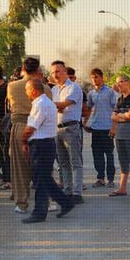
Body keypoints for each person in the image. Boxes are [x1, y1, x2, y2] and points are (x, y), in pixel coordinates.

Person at [20, 77, 74, 224]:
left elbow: (31, 128)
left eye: (26, 90)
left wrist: (23, 140)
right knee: (45, 179)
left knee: (40, 180)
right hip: (45, 144)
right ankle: (65, 202)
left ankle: (39, 213)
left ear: (33, 90)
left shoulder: (41, 104)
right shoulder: (45, 102)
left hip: (41, 145)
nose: (26, 93)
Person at [7, 58, 44, 213]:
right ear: (38, 70)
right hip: (39, 127)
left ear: (23, 68)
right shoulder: (44, 88)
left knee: (19, 167)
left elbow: (10, 105)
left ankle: (21, 202)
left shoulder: (12, 86)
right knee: (41, 167)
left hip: (20, 126)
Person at [50, 60, 85, 203]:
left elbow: (64, 105)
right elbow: (57, 107)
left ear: (65, 72)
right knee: (63, 162)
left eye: (57, 71)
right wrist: (56, 106)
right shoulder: (54, 90)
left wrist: (54, 105)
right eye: (52, 72)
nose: (55, 75)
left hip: (70, 128)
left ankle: (77, 193)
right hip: (56, 128)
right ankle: (67, 190)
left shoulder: (73, 88)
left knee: (75, 161)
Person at [110, 75, 130, 198]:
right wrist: (122, 117)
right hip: (119, 136)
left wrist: (120, 117)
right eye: (117, 83)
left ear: (128, 83)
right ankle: (122, 188)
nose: (119, 85)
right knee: (123, 162)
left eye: (121, 82)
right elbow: (113, 116)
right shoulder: (119, 100)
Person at [86, 68, 117, 187]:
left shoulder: (110, 92)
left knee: (109, 154)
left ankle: (110, 179)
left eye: (96, 77)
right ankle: (100, 178)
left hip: (107, 128)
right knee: (97, 154)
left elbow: (116, 109)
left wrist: (114, 127)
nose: (94, 80)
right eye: (92, 78)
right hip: (96, 128)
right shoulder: (91, 93)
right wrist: (85, 123)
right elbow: (88, 108)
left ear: (102, 77)